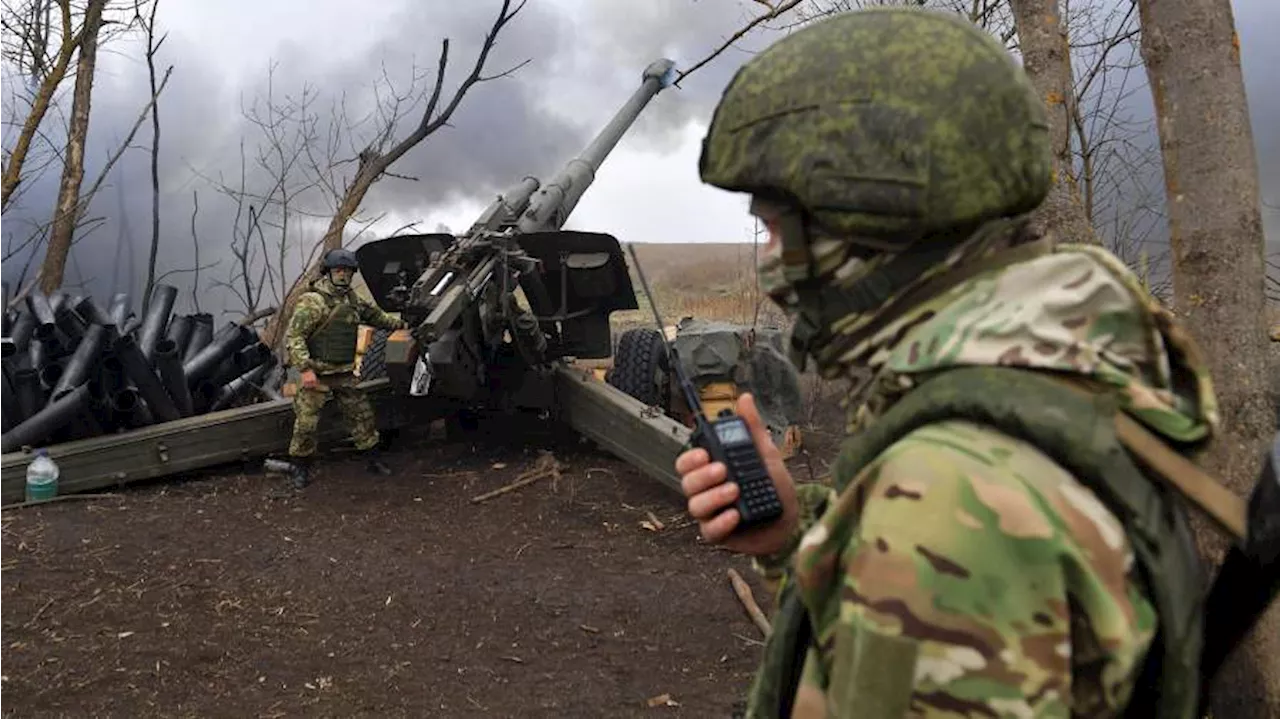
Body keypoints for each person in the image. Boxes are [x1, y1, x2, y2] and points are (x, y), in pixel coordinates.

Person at [677, 7, 1219, 718]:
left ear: (875, 221)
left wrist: (899, 531)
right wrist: (791, 539)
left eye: (781, 230)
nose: (774, 265)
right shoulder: (1061, 358)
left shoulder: (949, 496)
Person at [285, 247, 408, 489]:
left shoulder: (352, 300)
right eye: (338, 270)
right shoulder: (313, 301)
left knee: (363, 417)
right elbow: (294, 337)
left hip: (343, 373)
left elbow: (378, 318)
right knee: (306, 425)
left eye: (348, 271)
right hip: (317, 374)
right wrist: (305, 369)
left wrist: (405, 324)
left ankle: (373, 460)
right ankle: (300, 468)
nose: (343, 275)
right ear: (328, 272)